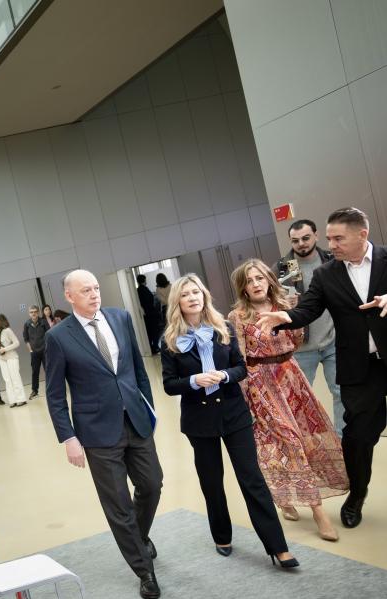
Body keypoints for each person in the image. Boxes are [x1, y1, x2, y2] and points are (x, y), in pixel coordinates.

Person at [258, 207, 387, 529]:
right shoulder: (324, 272)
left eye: (337, 238)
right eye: (330, 238)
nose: (333, 244)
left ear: (362, 234)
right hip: (359, 366)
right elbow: (309, 306)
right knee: (357, 437)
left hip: (354, 351)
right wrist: (286, 318)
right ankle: (356, 495)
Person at [160, 274, 298, 568]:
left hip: (234, 413)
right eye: (185, 295)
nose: (193, 298)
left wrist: (224, 375)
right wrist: (194, 380)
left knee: (252, 479)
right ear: (178, 302)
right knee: (211, 482)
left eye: (196, 291)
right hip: (199, 420)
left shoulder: (224, 329)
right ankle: (222, 535)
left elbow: (240, 368)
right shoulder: (170, 340)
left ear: (204, 295)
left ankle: (278, 547)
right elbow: (170, 385)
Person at [45, 270, 163, 599]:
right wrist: (68, 438)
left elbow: (138, 371)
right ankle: (144, 570)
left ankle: (139, 537)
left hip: (136, 421)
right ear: (69, 296)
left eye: (96, 288)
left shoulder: (120, 318)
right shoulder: (58, 337)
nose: (95, 294)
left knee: (152, 484)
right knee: (119, 505)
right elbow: (55, 395)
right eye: (86, 290)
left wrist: (149, 412)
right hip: (96, 432)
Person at [228, 260, 347, 541]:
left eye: (260, 278)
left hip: (290, 377)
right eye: (249, 280)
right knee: (287, 441)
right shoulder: (238, 317)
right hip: (259, 382)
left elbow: (297, 341)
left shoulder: (286, 307)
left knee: (306, 438)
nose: (256, 284)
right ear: (243, 287)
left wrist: (290, 314)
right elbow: (240, 356)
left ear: (269, 279)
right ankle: (319, 513)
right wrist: (247, 394)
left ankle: (285, 497)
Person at [272, 218, 344, 434]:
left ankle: (342, 440)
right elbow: (271, 303)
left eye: (305, 238)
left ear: (316, 235)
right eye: (295, 241)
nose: (301, 244)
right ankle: (308, 445)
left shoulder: (330, 260)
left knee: (341, 391)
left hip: (333, 341)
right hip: (302, 347)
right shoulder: (284, 267)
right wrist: (283, 304)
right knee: (298, 398)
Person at [0, 314, 27, 407]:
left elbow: (17, 343)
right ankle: (12, 400)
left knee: (15, 377)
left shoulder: (8, 330)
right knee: (7, 380)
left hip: (11, 357)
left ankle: (21, 399)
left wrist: (5, 349)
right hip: (2, 358)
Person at [23, 305, 48, 399]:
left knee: (48, 370)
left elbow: (49, 335)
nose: (33, 314)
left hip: (45, 351)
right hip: (34, 353)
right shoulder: (27, 324)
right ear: (29, 313)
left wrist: (47, 348)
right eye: (31, 312)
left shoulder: (43, 322)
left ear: (38, 312)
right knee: (35, 372)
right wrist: (30, 350)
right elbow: (26, 339)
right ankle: (34, 390)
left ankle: (51, 388)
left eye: (35, 312)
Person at [137, 274, 161, 354]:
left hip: (146, 315)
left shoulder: (138, 290)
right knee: (155, 330)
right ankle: (155, 347)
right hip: (150, 313)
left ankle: (152, 347)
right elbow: (149, 301)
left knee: (150, 331)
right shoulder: (144, 289)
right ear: (144, 280)